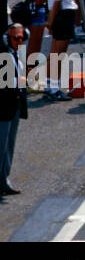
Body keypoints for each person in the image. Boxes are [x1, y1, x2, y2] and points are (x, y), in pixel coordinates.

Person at [43, 0, 80, 101]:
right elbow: (57, 3)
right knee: (57, 55)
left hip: (66, 16)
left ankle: (50, 85)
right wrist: (51, 23)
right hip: (62, 17)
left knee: (57, 54)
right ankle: (54, 88)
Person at [0, 23, 28, 193]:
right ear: (7, 39)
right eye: (16, 38)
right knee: (1, 145)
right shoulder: (3, 55)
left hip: (15, 105)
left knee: (9, 144)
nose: (20, 41)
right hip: (3, 107)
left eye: (22, 37)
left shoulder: (18, 53)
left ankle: (4, 178)